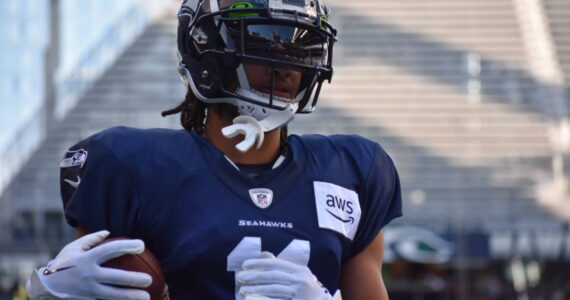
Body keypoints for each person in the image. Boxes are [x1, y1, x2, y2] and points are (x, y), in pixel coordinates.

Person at [26, 0, 402, 299]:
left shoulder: (353, 170)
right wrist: (47, 294)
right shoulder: (131, 165)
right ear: (207, 49)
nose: (286, 62)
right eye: (263, 39)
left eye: (301, 45)